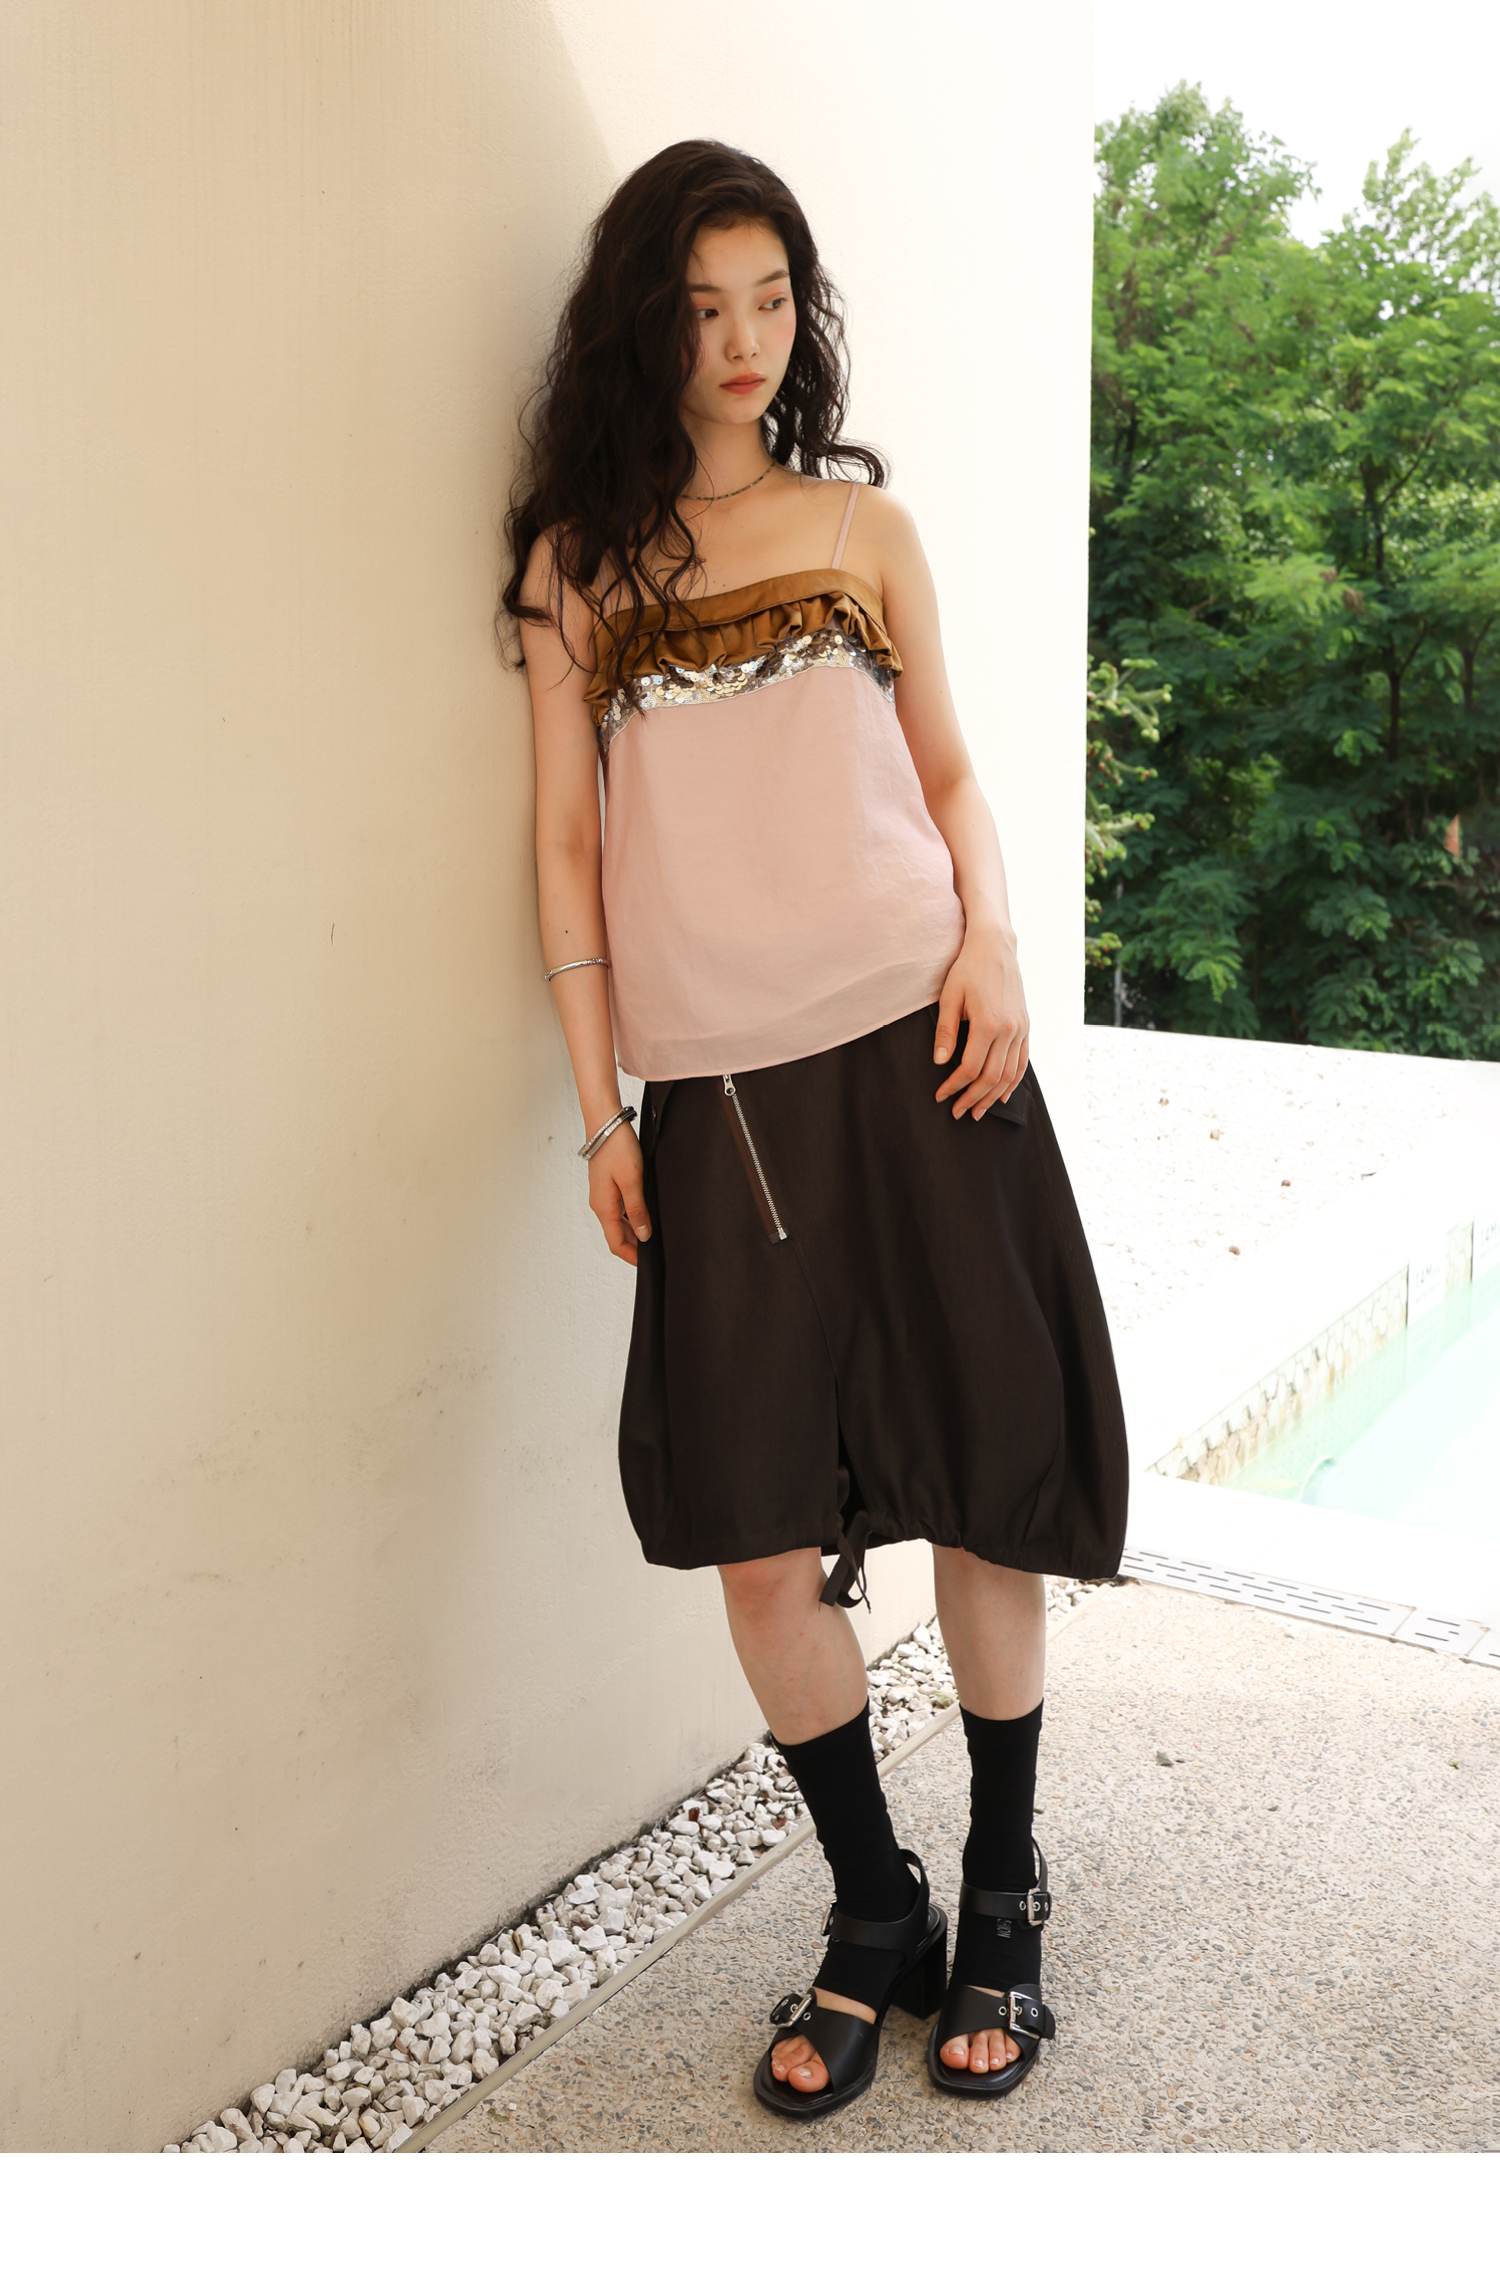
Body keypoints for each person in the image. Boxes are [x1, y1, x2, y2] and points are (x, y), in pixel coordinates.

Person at [505, 139, 1127, 2119]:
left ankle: (1006, 1890)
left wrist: (997, 942)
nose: (743, 341)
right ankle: (877, 1909)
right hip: (724, 1109)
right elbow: (566, 848)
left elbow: (950, 776)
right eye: (703, 307)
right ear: (644, 325)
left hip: (929, 1050)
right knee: (761, 1548)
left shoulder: (867, 531)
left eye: (770, 300)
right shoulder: (579, 570)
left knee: (988, 1484)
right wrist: (600, 1109)